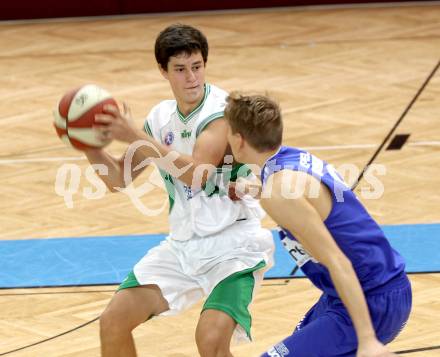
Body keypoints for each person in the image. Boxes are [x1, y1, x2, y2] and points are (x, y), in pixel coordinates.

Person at [83, 25, 274, 357]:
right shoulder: (159, 118)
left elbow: (196, 174)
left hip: (235, 247)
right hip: (184, 247)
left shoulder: (222, 112)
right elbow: (117, 178)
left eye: (197, 67)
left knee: (211, 343)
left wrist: (134, 136)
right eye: (180, 69)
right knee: (113, 321)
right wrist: (87, 144)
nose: (191, 78)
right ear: (163, 71)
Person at [224, 93, 412, 357]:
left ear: (239, 140)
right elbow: (308, 199)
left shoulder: (277, 191)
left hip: (370, 299)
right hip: (368, 290)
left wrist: (367, 339)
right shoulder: (290, 160)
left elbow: (338, 261)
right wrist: (251, 188)